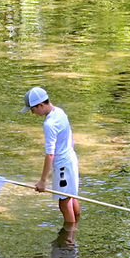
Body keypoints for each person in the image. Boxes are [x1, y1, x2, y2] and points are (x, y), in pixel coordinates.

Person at [25, 86, 80, 225]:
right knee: (72, 197)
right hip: (71, 159)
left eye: (32, 109)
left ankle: (69, 240)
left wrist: (43, 180)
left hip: (62, 167)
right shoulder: (60, 112)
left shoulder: (49, 124)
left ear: (41, 105)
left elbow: (50, 154)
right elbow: (71, 137)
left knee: (64, 203)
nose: (32, 113)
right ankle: (77, 223)